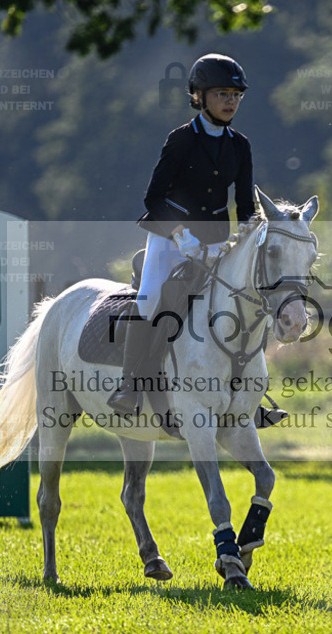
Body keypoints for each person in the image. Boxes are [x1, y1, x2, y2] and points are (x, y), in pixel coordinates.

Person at [108, 53, 285, 429]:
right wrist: (179, 234)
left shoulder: (241, 146)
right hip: (170, 236)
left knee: (242, 304)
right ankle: (131, 386)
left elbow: (243, 204)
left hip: (217, 240)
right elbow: (152, 198)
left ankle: (248, 397)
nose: (231, 101)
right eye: (222, 93)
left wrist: (252, 229)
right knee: (153, 298)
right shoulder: (181, 140)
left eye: (236, 94)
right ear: (199, 96)